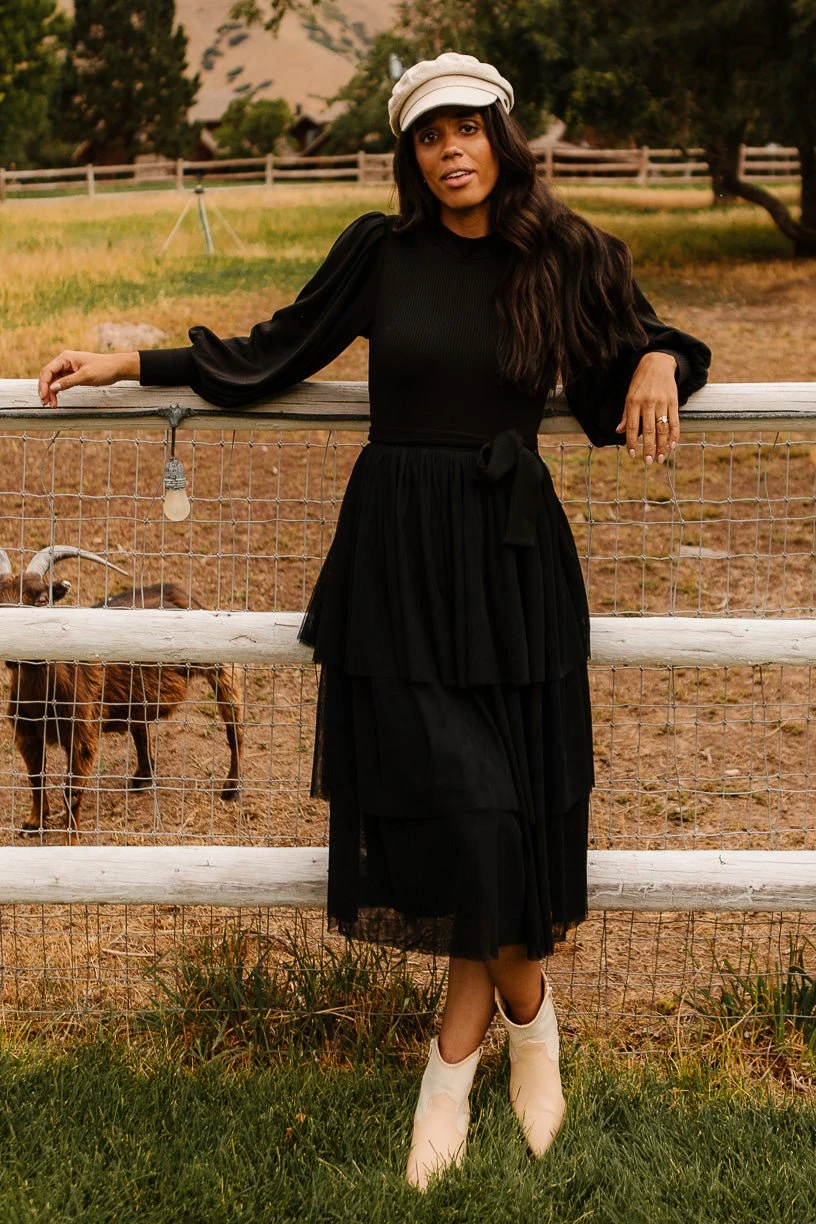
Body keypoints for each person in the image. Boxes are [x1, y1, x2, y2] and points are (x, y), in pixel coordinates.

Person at [38, 53, 710, 1191]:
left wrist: (654, 355)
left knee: (501, 813)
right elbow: (272, 350)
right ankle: (531, 1020)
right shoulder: (379, 253)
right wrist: (126, 362)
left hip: (509, 566)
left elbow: (645, 356)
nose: (451, 151)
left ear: (500, 135)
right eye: (429, 136)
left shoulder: (564, 254)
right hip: (396, 560)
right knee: (467, 805)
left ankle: (453, 1068)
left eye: (467, 128)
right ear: (410, 155)